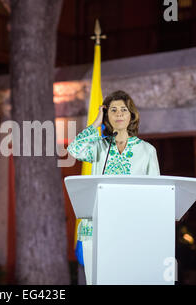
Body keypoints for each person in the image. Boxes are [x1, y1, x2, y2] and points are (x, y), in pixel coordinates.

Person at [67, 90, 160, 284]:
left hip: (130, 228)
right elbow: (74, 149)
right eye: (113, 110)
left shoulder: (147, 151)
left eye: (123, 110)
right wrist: (95, 123)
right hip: (98, 227)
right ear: (107, 116)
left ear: (131, 115)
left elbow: (155, 193)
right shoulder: (99, 146)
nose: (118, 114)